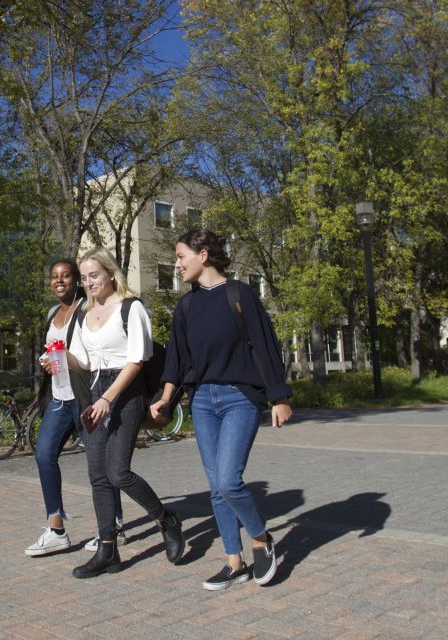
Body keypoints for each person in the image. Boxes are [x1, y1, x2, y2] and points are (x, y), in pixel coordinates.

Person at [151, 229, 293, 591]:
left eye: (181, 256)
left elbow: (265, 345)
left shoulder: (239, 293)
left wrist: (279, 397)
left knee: (229, 480)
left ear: (203, 255)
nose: (177, 264)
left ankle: (261, 540)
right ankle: (234, 561)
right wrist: (166, 399)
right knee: (216, 486)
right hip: (202, 402)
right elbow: (177, 361)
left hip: (239, 398)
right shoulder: (185, 306)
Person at [66, 247, 184, 579]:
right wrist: (59, 359)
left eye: (95, 275)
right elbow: (85, 362)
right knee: (97, 476)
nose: (89, 283)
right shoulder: (83, 314)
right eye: (85, 277)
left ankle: (166, 519)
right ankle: (108, 551)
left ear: (110, 273)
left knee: (118, 472)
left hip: (126, 392)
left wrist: (107, 398)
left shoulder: (131, 309)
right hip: (95, 390)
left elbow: (137, 359)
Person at [26, 260, 124, 557]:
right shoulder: (52, 314)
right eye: (54, 276)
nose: (59, 281)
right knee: (44, 455)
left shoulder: (86, 310)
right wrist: (48, 363)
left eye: (66, 276)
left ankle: (114, 523)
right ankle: (56, 529)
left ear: (76, 281)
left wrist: (66, 357)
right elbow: (53, 356)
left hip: (84, 398)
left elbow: (92, 354)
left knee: (101, 463)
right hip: (59, 398)